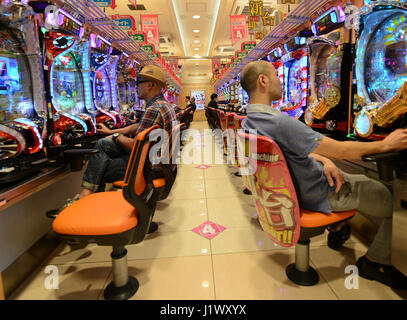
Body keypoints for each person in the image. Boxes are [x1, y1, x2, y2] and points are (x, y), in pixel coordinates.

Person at [240, 60, 407, 290]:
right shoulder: (279, 122)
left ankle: (339, 228)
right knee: (394, 204)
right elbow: (342, 150)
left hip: (295, 191)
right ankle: (374, 262)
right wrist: (386, 145)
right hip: (321, 193)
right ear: (263, 81)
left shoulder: (249, 120)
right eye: (277, 75)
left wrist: (324, 159)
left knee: (350, 176)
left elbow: (285, 155)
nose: (280, 81)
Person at [48, 65, 177, 219]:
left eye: (139, 82)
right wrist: (110, 133)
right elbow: (140, 126)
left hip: (149, 166)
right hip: (157, 159)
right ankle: (89, 199)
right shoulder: (162, 104)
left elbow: (136, 145)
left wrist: (115, 135)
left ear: (150, 85)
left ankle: (87, 205)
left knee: (99, 169)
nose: (135, 86)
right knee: (102, 144)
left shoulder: (154, 109)